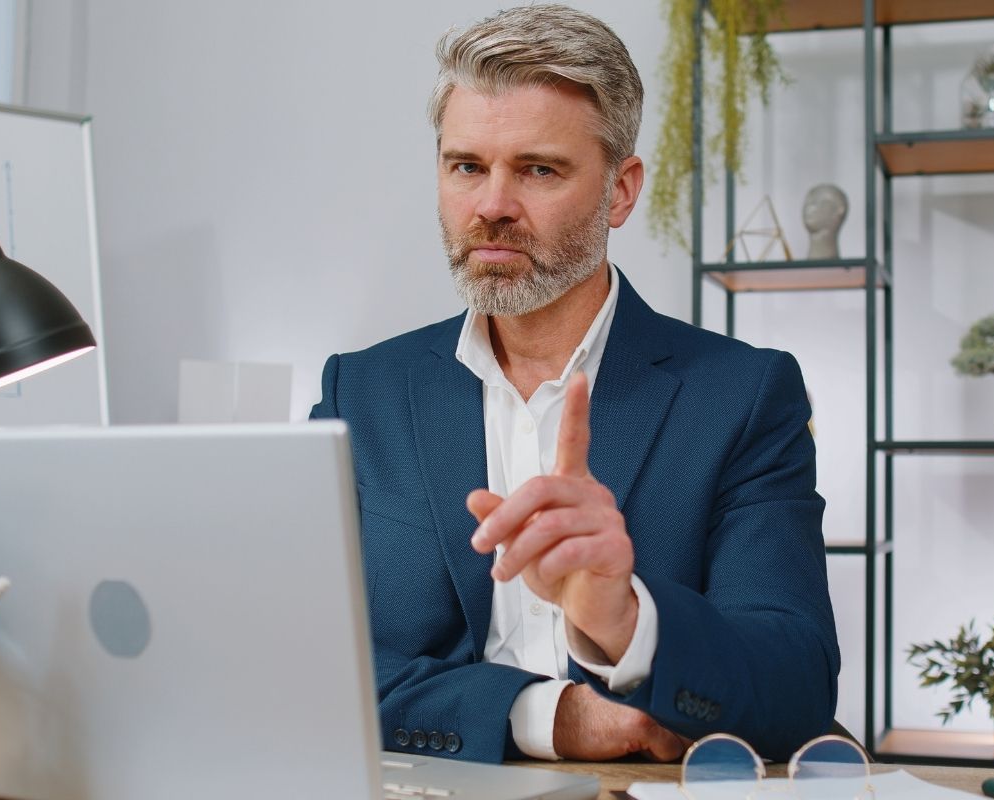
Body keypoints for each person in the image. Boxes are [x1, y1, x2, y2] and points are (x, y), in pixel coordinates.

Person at [311, 4, 839, 765]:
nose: (492, 205)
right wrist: (549, 716)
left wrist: (628, 623)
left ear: (621, 192)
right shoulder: (359, 395)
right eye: (467, 166)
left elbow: (796, 683)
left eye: (538, 169)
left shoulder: (746, 396)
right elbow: (313, 664)